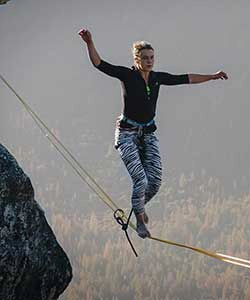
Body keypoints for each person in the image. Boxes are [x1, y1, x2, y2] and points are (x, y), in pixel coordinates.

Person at [78, 28, 228, 238]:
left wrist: (213, 76)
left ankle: (138, 206)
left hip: (147, 133)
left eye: (152, 57)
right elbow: (100, 65)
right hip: (127, 134)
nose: (150, 61)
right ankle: (140, 221)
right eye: (145, 58)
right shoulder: (128, 75)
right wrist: (89, 43)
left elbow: (186, 78)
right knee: (140, 178)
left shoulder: (157, 78)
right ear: (136, 59)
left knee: (155, 182)